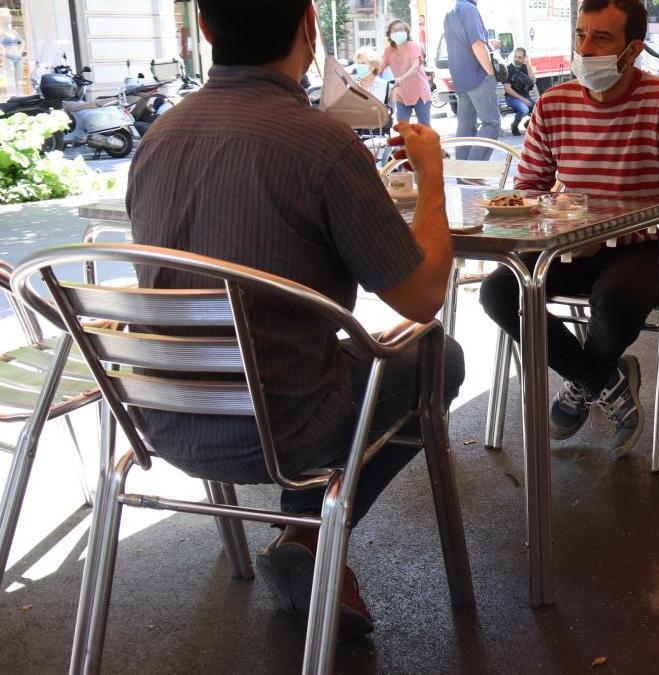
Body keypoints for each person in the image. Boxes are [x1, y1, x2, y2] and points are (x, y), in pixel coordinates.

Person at [128, 0, 457, 640]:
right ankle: (310, 537)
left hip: (162, 419)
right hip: (285, 430)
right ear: (310, 23)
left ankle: (302, 539)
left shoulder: (156, 140)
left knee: (333, 357)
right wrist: (432, 177)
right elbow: (420, 297)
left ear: (203, 28)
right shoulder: (322, 144)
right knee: (437, 354)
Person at [479, 0, 659, 457]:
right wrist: (557, 224)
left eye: (601, 38)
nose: (585, 48)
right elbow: (528, 190)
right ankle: (598, 378)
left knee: (616, 302)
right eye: (581, 34)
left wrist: (607, 234)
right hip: (570, 241)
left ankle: (584, 381)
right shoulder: (553, 104)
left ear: (633, 50)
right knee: (498, 291)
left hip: (644, 243)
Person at [444, 0, 501, 159]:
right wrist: (490, 72)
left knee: (466, 128)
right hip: (479, 76)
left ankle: (463, 174)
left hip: (461, 79)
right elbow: (476, 44)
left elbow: (462, 44)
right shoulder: (470, 10)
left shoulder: (450, 12)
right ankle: (474, 172)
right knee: (492, 124)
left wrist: (487, 43)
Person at [382, 19, 433, 126]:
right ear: (389, 34)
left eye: (401, 30)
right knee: (402, 127)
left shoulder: (412, 46)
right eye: (394, 30)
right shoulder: (389, 51)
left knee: (424, 127)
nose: (397, 32)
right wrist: (368, 74)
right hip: (401, 95)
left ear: (406, 32)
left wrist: (401, 78)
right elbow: (379, 67)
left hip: (420, 93)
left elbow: (415, 67)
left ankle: (428, 143)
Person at [503, 46, 538, 134]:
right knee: (524, 110)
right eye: (515, 56)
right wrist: (523, 99)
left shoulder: (526, 67)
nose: (517, 59)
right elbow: (507, 88)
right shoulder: (509, 69)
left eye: (520, 57)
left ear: (524, 58)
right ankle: (514, 126)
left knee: (539, 108)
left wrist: (528, 65)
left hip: (526, 97)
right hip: (511, 98)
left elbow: (533, 81)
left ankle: (528, 124)